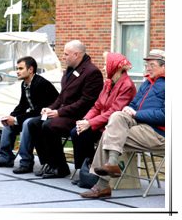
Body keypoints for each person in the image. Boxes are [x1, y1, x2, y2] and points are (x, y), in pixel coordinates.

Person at [80, 49, 165, 198]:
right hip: (139, 126)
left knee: (108, 133)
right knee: (117, 115)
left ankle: (102, 185)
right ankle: (110, 168)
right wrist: (129, 108)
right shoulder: (146, 84)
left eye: (152, 65)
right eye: (147, 65)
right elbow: (134, 104)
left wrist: (136, 114)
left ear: (165, 66)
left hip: (158, 133)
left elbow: (166, 115)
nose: (148, 68)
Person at [28, 40, 104, 178]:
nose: (62, 57)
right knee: (34, 123)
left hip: (79, 117)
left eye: (65, 54)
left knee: (49, 125)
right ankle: (49, 164)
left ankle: (61, 167)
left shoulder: (92, 72)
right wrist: (49, 108)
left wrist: (58, 112)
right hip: (65, 114)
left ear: (76, 55)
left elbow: (86, 102)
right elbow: (62, 96)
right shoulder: (69, 70)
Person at [0, 56, 59, 173]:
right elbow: (22, 106)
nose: (17, 71)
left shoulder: (41, 84)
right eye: (17, 68)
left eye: (20, 68)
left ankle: (26, 162)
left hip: (49, 116)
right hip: (36, 115)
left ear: (31, 70)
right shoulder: (24, 84)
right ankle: (5, 157)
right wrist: (10, 118)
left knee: (26, 123)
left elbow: (39, 110)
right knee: (9, 124)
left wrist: (16, 119)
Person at [70, 52, 136, 180]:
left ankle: (91, 170)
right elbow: (97, 106)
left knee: (85, 133)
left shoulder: (126, 85)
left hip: (114, 126)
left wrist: (90, 123)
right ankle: (83, 170)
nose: (104, 68)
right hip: (101, 123)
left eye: (106, 65)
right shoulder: (109, 82)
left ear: (114, 66)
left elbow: (114, 111)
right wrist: (85, 120)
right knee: (77, 131)